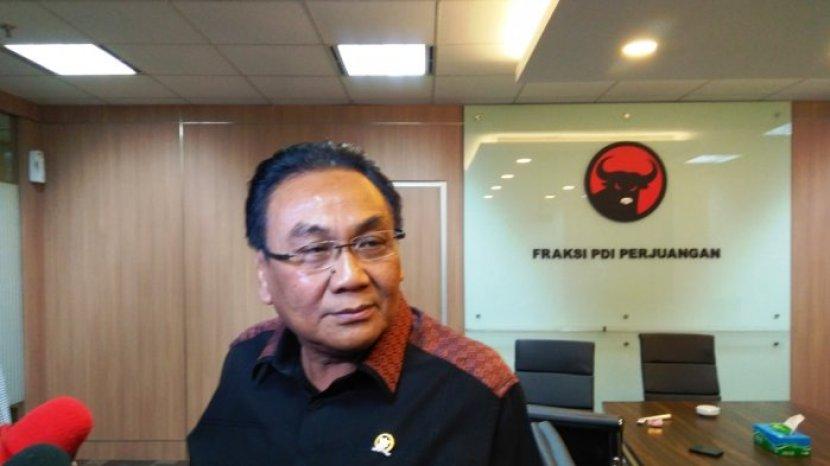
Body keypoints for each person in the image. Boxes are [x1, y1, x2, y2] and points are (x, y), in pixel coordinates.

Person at [187, 141, 541, 466]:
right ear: (264, 275)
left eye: (371, 243)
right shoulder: (247, 358)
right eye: (314, 249)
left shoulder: (476, 388)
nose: (351, 277)